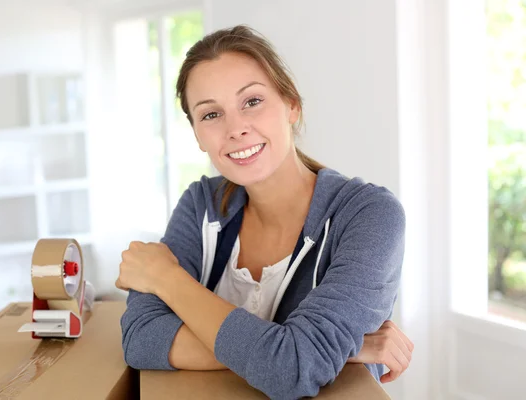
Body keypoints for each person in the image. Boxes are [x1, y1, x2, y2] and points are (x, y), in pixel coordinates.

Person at [116, 25, 413, 399]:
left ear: (292, 104)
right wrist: (332, 350)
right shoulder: (201, 205)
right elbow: (141, 339)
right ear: (196, 135)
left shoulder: (370, 216)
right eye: (211, 115)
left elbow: (291, 370)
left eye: (252, 101)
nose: (236, 128)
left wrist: (166, 278)